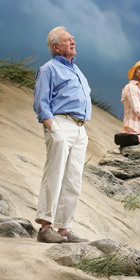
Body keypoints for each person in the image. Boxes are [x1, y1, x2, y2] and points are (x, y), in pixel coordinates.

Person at [33, 26, 92, 243]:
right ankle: (45, 227)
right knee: (55, 175)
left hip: (79, 128)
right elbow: (41, 102)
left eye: (73, 39)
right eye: (68, 40)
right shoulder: (48, 69)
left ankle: (64, 228)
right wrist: (53, 128)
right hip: (60, 124)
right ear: (56, 47)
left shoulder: (77, 70)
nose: (73, 42)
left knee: (73, 179)